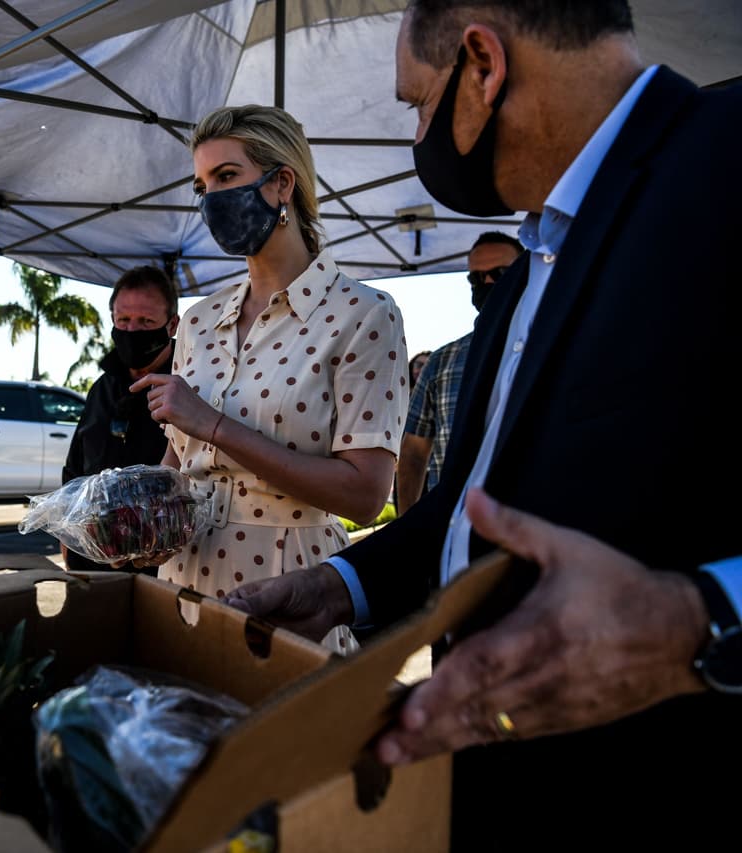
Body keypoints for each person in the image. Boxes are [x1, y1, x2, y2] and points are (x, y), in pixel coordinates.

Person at [226, 1, 741, 846]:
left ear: (484, 65)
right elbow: (470, 507)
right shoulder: (531, 262)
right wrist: (343, 584)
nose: (417, 132)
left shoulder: (726, 159)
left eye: (417, 104)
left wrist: (700, 619)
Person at [132, 105, 410, 654]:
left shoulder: (364, 314)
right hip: (184, 579)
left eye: (226, 177)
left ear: (283, 183)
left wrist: (213, 424)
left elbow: (365, 495)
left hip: (293, 587)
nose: (210, 198)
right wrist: (141, 514)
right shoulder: (198, 320)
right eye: (201, 184)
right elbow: (180, 457)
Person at [60, 265, 180, 574]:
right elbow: (75, 467)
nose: (133, 331)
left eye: (146, 321)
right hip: (93, 562)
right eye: (123, 320)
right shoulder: (102, 388)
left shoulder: (189, 386)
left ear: (172, 325)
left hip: (163, 564)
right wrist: (67, 538)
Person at [396, 231, 521, 513]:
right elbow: (414, 454)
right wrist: (409, 525)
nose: (487, 283)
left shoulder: (556, 344)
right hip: (453, 527)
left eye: (500, 273)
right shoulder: (441, 362)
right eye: (476, 278)